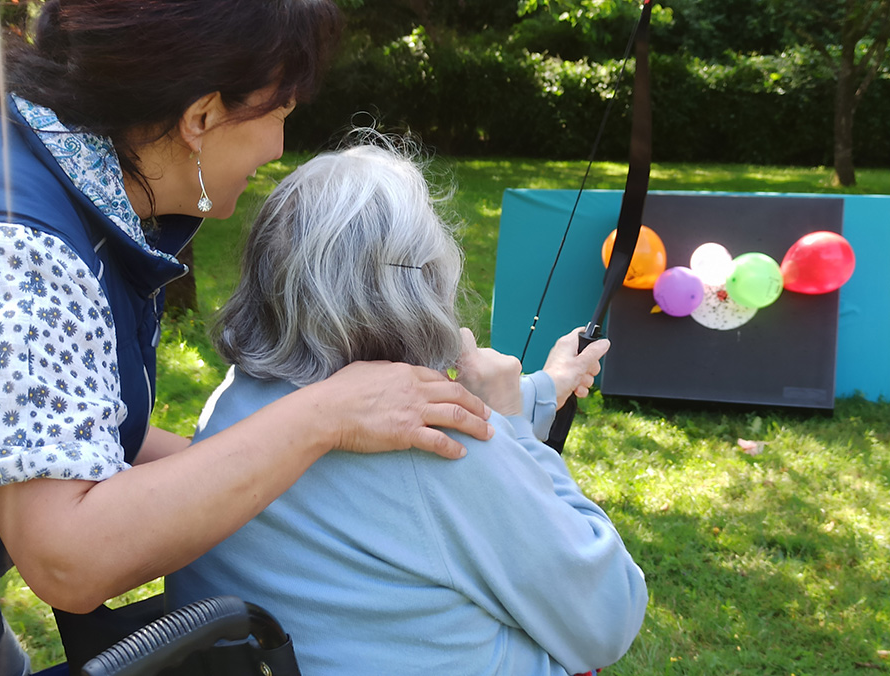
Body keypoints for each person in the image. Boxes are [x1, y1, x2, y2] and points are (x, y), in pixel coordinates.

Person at [0, 2, 604, 673]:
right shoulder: (24, 248)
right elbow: (67, 557)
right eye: (279, 113)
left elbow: (86, 439)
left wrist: (279, 475)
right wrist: (325, 415)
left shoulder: (66, 189)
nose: (281, 147)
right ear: (201, 117)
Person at [165, 138, 648, 676]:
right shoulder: (432, 443)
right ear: (415, 287)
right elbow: (609, 616)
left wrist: (547, 387)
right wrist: (510, 420)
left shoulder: (237, 405)